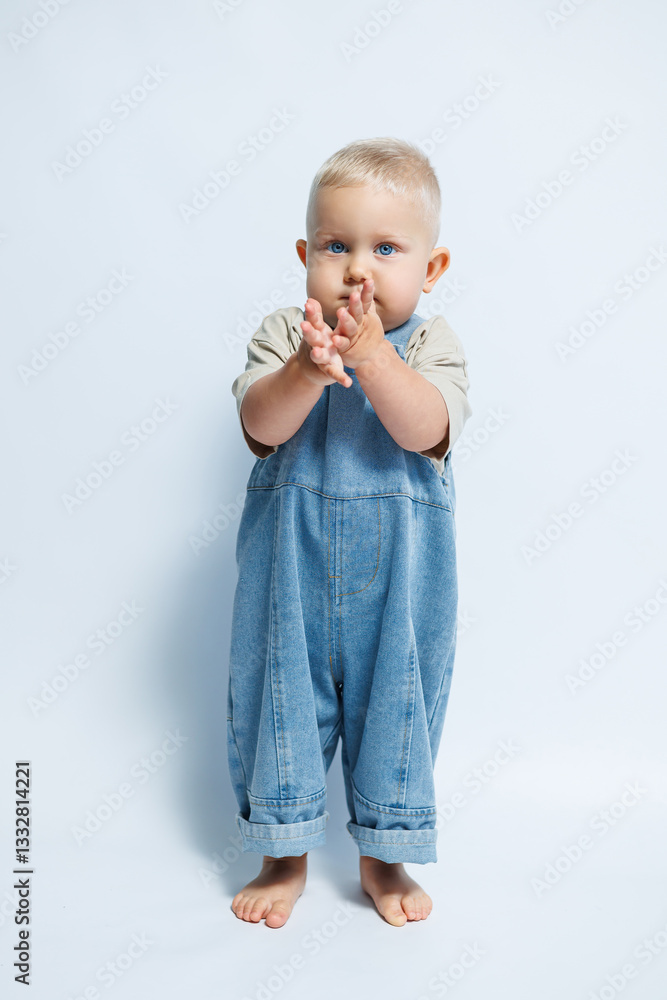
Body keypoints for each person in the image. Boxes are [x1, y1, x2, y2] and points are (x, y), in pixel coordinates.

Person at [226, 137, 472, 928]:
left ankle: (385, 853)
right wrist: (305, 369)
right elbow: (259, 426)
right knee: (278, 698)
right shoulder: (283, 336)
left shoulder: (431, 346)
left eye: (386, 248)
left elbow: (423, 427)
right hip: (288, 575)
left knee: (398, 706)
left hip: (401, 585)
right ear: (305, 255)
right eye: (336, 246)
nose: (357, 269)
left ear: (428, 269)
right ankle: (282, 852)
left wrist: (373, 360)